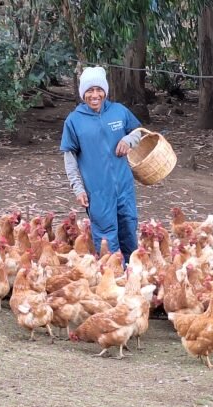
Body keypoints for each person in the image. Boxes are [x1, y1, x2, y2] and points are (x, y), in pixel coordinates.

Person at [60, 66, 142, 263]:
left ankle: (132, 272)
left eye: (99, 90)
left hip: (123, 185)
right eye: (89, 90)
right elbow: (69, 158)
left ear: (105, 91)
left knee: (128, 228)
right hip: (97, 191)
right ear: (83, 93)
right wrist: (77, 188)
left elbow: (139, 131)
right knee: (106, 237)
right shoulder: (74, 121)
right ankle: (113, 277)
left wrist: (128, 140)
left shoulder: (119, 111)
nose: (94, 95)